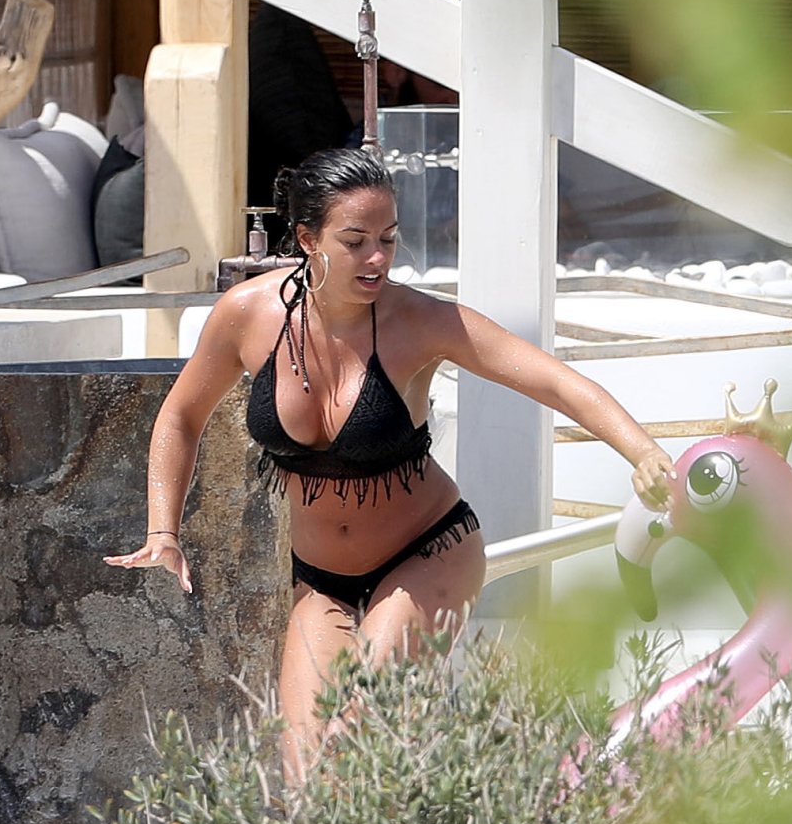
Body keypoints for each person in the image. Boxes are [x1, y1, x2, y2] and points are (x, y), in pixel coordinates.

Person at [105, 147, 673, 778]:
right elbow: (180, 418)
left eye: (388, 239)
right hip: (319, 578)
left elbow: (556, 383)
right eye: (355, 242)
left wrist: (644, 453)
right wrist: (163, 530)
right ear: (308, 240)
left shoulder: (421, 321)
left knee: (356, 740)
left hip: (428, 553)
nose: (377, 258)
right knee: (305, 773)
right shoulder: (247, 315)